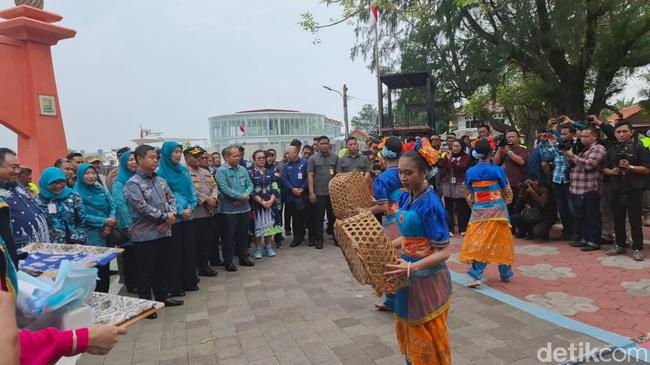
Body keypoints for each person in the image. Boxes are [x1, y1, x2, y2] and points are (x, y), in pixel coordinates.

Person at [384, 138, 451, 365]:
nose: (403, 178)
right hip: (407, 274)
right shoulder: (405, 196)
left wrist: (412, 266)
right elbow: (409, 237)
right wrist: (385, 246)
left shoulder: (432, 204)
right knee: (410, 331)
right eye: (401, 172)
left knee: (427, 334)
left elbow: (443, 252)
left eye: (409, 173)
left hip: (427, 278)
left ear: (424, 173)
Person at [125, 144, 183, 315]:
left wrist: (170, 216)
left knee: (163, 266)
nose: (155, 160)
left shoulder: (160, 180)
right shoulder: (133, 183)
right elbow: (141, 207)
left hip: (164, 230)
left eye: (156, 157)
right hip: (145, 234)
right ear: (140, 159)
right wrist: (165, 217)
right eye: (151, 157)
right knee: (145, 271)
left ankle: (162, 297)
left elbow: (171, 198)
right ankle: (146, 306)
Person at [459, 139, 514, 287]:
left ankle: (477, 274)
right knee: (502, 239)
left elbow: (470, 190)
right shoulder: (497, 170)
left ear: (476, 154)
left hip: (479, 211)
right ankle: (505, 273)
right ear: (491, 153)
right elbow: (504, 187)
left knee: (481, 240)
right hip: (498, 210)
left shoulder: (470, 172)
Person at [602, 121, 650, 261]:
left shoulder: (640, 148)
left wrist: (630, 167)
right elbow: (604, 168)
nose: (621, 135)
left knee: (635, 220)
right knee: (618, 218)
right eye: (618, 132)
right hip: (615, 188)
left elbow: (646, 169)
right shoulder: (611, 149)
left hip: (634, 189)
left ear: (631, 132)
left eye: (624, 131)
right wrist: (611, 171)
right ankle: (619, 244)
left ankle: (637, 248)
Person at [367, 137, 405, 313]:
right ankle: (399, 299)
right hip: (410, 219)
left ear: (385, 153)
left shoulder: (383, 178)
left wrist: (363, 211)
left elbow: (382, 206)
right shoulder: (408, 171)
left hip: (393, 223)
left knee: (390, 261)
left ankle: (394, 300)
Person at [156, 141, 198, 296]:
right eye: (175, 151)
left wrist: (191, 207)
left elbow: (191, 190)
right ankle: (176, 286)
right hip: (175, 219)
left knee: (189, 250)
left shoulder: (183, 170)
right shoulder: (160, 174)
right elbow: (167, 196)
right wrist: (180, 211)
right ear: (166, 153)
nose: (178, 154)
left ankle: (190, 282)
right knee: (174, 253)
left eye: (180, 151)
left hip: (189, 215)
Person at [73, 164, 117, 292]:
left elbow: (113, 205)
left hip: (105, 236)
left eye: (93, 173)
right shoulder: (76, 193)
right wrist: (104, 221)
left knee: (104, 270)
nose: (91, 176)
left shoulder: (100, 188)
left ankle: (106, 297)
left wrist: (109, 223)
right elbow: (81, 216)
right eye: (86, 173)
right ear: (80, 175)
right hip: (89, 238)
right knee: (92, 271)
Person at [563, 126, 608, 252]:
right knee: (581, 216)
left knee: (592, 216)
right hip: (577, 188)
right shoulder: (584, 149)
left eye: (586, 136)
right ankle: (584, 239)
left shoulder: (598, 148)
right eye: (581, 136)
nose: (583, 139)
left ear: (595, 136)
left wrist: (573, 156)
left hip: (590, 188)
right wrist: (568, 156)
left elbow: (589, 165)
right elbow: (575, 165)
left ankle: (594, 241)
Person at [0, 149, 49, 262]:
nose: (17, 171)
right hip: (15, 253)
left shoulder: (18, 185)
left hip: (37, 250)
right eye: (13, 167)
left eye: (18, 166)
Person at [215, 146, 255, 271]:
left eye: (239, 155)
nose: (238, 158)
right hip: (229, 210)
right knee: (228, 237)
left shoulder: (243, 169)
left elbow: (250, 184)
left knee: (243, 235)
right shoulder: (221, 171)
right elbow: (224, 188)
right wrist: (240, 197)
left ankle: (243, 257)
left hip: (244, 208)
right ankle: (228, 261)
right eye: (235, 156)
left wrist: (246, 195)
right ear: (226, 157)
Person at [184, 146, 218, 277]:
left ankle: (204, 266)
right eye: (195, 157)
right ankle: (194, 268)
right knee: (195, 243)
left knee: (207, 241)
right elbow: (191, 191)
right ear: (187, 158)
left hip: (209, 212)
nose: (199, 159)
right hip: (196, 214)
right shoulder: (185, 173)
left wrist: (213, 198)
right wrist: (205, 199)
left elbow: (214, 186)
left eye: (200, 156)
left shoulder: (205, 172)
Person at [540, 124, 577, 240]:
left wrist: (566, 152)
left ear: (573, 134)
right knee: (562, 208)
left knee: (573, 208)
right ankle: (567, 231)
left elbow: (573, 163)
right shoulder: (557, 145)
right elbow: (546, 156)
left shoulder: (576, 145)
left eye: (565, 133)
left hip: (570, 180)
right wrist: (544, 143)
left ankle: (576, 232)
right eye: (562, 133)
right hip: (557, 179)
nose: (563, 136)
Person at [36, 167, 88, 244]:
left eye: (61, 182)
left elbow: (82, 220)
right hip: (48, 245)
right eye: (54, 183)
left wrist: (78, 239)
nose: (58, 186)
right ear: (45, 182)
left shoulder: (73, 196)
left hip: (73, 243)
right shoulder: (38, 201)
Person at [111, 151, 138, 293]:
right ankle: (132, 284)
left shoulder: (140, 178)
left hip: (142, 224)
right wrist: (129, 225)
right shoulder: (119, 182)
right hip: (129, 226)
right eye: (130, 160)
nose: (134, 162)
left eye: (135, 160)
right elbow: (120, 205)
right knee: (130, 256)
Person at [249, 150, 282, 259]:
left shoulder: (270, 172)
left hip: (270, 203)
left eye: (263, 157)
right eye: (259, 158)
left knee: (269, 224)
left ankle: (268, 246)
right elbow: (251, 189)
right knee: (258, 226)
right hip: (257, 205)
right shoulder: (250, 173)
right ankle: (258, 248)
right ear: (254, 160)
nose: (262, 160)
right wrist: (261, 201)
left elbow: (274, 187)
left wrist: (272, 200)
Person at [307, 136, 339, 249]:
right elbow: (310, 176)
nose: (324, 145)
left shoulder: (335, 158)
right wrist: (311, 192)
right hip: (318, 193)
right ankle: (319, 240)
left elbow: (338, 175)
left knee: (334, 217)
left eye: (326, 143)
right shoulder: (313, 159)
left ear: (329, 145)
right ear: (317, 145)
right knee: (318, 218)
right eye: (322, 143)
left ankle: (337, 239)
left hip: (333, 193)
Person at [439, 140, 471, 236]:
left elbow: (461, 167)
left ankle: (463, 228)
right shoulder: (447, 155)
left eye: (457, 146)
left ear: (462, 147)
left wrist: (451, 160)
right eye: (454, 146)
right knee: (448, 207)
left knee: (462, 206)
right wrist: (446, 159)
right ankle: (450, 229)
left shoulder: (466, 157)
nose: (455, 148)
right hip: (447, 184)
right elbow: (441, 166)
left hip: (460, 184)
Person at [493, 129, 529, 213]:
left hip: (517, 185)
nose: (510, 139)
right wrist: (499, 149)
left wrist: (508, 152)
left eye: (513, 137)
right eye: (508, 137)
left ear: (518, 139)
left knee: (517, 210)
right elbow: (495, 163)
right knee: (506, 210)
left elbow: (521, 161)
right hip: (505, 185)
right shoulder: (504, 149)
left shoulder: (522, 149)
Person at [510, 176, 557, 240]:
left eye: (530, 182)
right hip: (533, 216)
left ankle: (537, 232)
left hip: (545, 217)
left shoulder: (544, 191)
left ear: (536, 182)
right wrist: (521, 194)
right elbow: (518, 208)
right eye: (527, 183)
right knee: (513, 218)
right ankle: (526, 231)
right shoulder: (528, 191)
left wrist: (532, 192)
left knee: (538, 232)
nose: (528, 185)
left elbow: (542, 204)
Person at [281, 146, 308, 247]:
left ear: (295, 153)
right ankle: (297, 238)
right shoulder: (286, 166)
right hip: (291, 196)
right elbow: (284, 179)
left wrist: (302, 188)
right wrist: (292, 189)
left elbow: (308, 177)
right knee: (295, 218)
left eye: (288, 153)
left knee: (304, 217)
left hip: (303, 195)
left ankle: (304, 235)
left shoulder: (305, 163)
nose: (286, 155)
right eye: (286, 153)